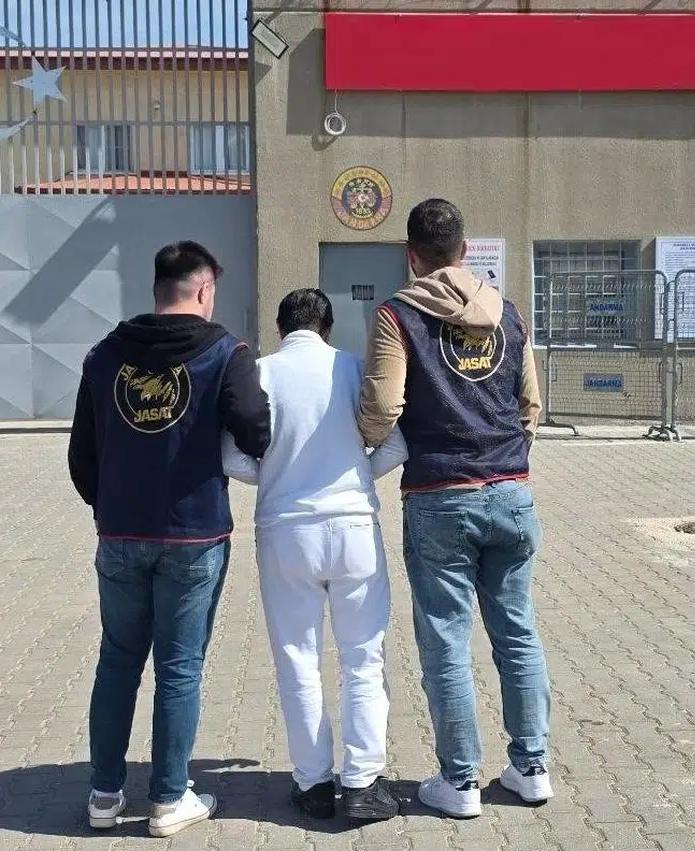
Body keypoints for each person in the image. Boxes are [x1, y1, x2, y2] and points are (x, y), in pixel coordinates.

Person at [68, 240, 271, 837]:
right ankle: (167, 799)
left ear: (158, 289)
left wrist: (110, 506)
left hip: (120, 534)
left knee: (117, 662)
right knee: (179, 668)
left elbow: (81, 456)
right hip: (193, 536)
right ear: (204, 290)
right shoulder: (225, 352)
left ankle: (104, 796)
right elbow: (256, 430)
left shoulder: (105, 355)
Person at [357, 199, 552, 819]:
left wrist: (360, 447)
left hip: (440, 496)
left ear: (411, 256)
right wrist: (506, 454)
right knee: (517, 633)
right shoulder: (509, 313)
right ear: (465, 252)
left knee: (446, 641)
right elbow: (531, 405)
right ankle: (532, 769)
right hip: (511, 490)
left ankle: (460, 781)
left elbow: (383, 406)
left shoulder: (398, 315)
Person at [222, 289, 408, 821]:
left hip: (285, 530)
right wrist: (356, 477)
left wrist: (275, 478)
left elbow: (232, 458)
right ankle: (363, 783)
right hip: (353, 526)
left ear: (281, 329)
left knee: (298, 659)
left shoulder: (259, 374)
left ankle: (313, 784)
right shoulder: (355, 370)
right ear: (327, 328)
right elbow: (397, 444)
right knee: (363, 657)